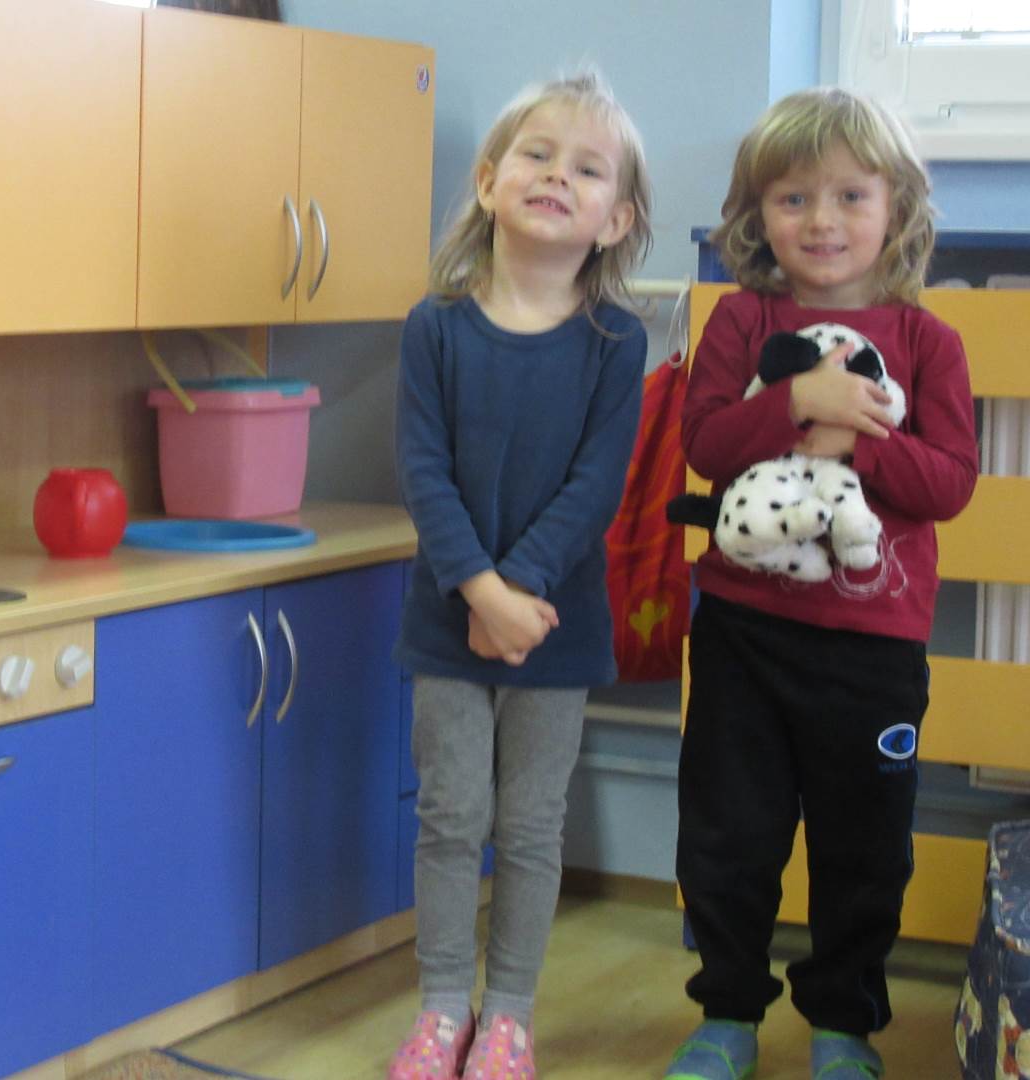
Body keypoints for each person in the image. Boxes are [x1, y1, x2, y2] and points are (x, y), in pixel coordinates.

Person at [664, 87, 978, 1080]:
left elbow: (949, 485)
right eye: (793, 198)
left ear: (897, 207)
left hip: (874, 652)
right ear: (758, 215)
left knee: (864, 847)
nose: (822, 220)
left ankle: (844, 1025)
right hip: (744, 635)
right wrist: (798, 397)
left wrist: (856, 437)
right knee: (729, 835)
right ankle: (727, 1012)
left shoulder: (930, 343)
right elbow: (708, 444)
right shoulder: (741, 320)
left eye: (850, 195)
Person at [389, 72, 652, 1080]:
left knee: (532, 826)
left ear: (615, 218)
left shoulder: (616, 343)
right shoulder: (434, 327)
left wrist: (518, 593)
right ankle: (440, 1010)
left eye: (587, 168)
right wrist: (478, 591)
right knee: (451, 816)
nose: (556, 176)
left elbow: (596, 488)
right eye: (537, 155)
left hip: (554, 624)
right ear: (490, 180)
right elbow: (423, 472)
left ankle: (507, 1019)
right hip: (447, 620)